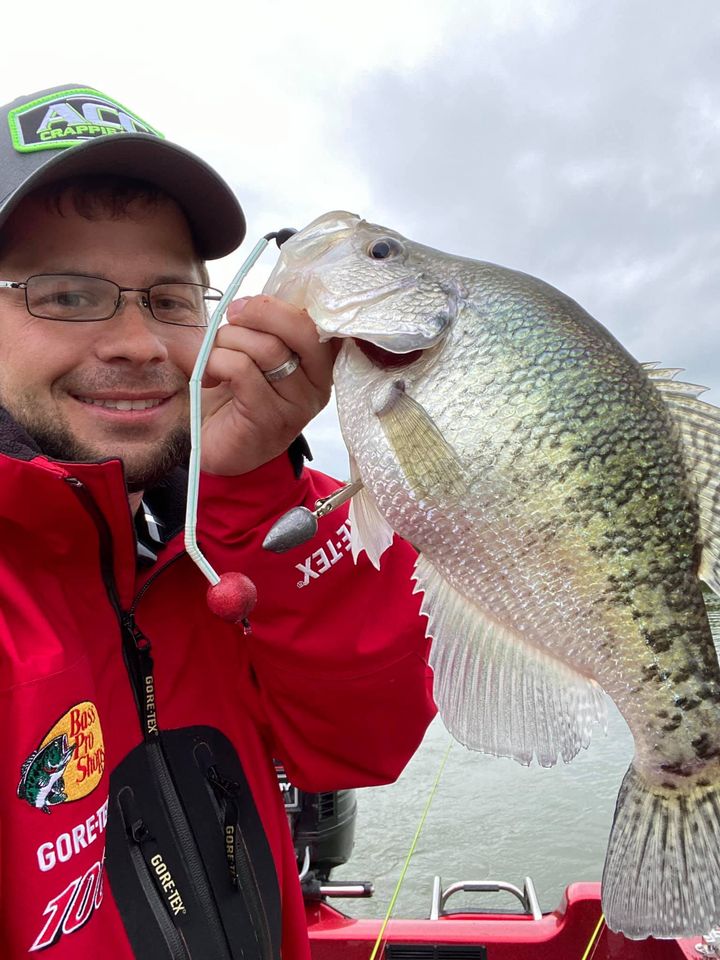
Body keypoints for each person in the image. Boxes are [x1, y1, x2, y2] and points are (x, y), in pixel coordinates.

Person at [0, 84, 435, 959]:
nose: (137, 343)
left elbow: (363, 745)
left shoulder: (231, 534)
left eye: (167, 299)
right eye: (69, 295)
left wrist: (253, 485)